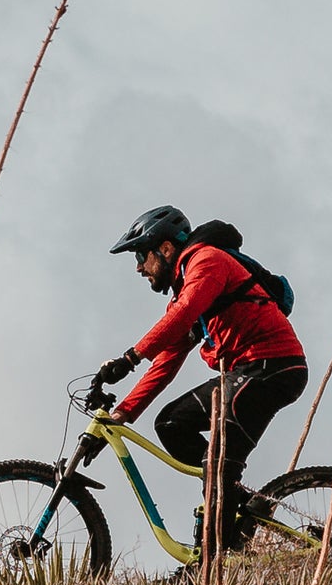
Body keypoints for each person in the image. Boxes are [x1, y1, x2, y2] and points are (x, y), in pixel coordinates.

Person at [93, 204, 307, 507]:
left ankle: (224, 524)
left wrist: (130, 358)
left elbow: (184, 313)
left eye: (141, 256)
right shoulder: (185, 288)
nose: (139, 268)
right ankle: (239, 504)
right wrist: (119, 416)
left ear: (165, 248)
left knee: (218, 469)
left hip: (269, 368)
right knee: (171, 424)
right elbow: (164, 364)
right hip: (248, 373)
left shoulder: (206, 262)